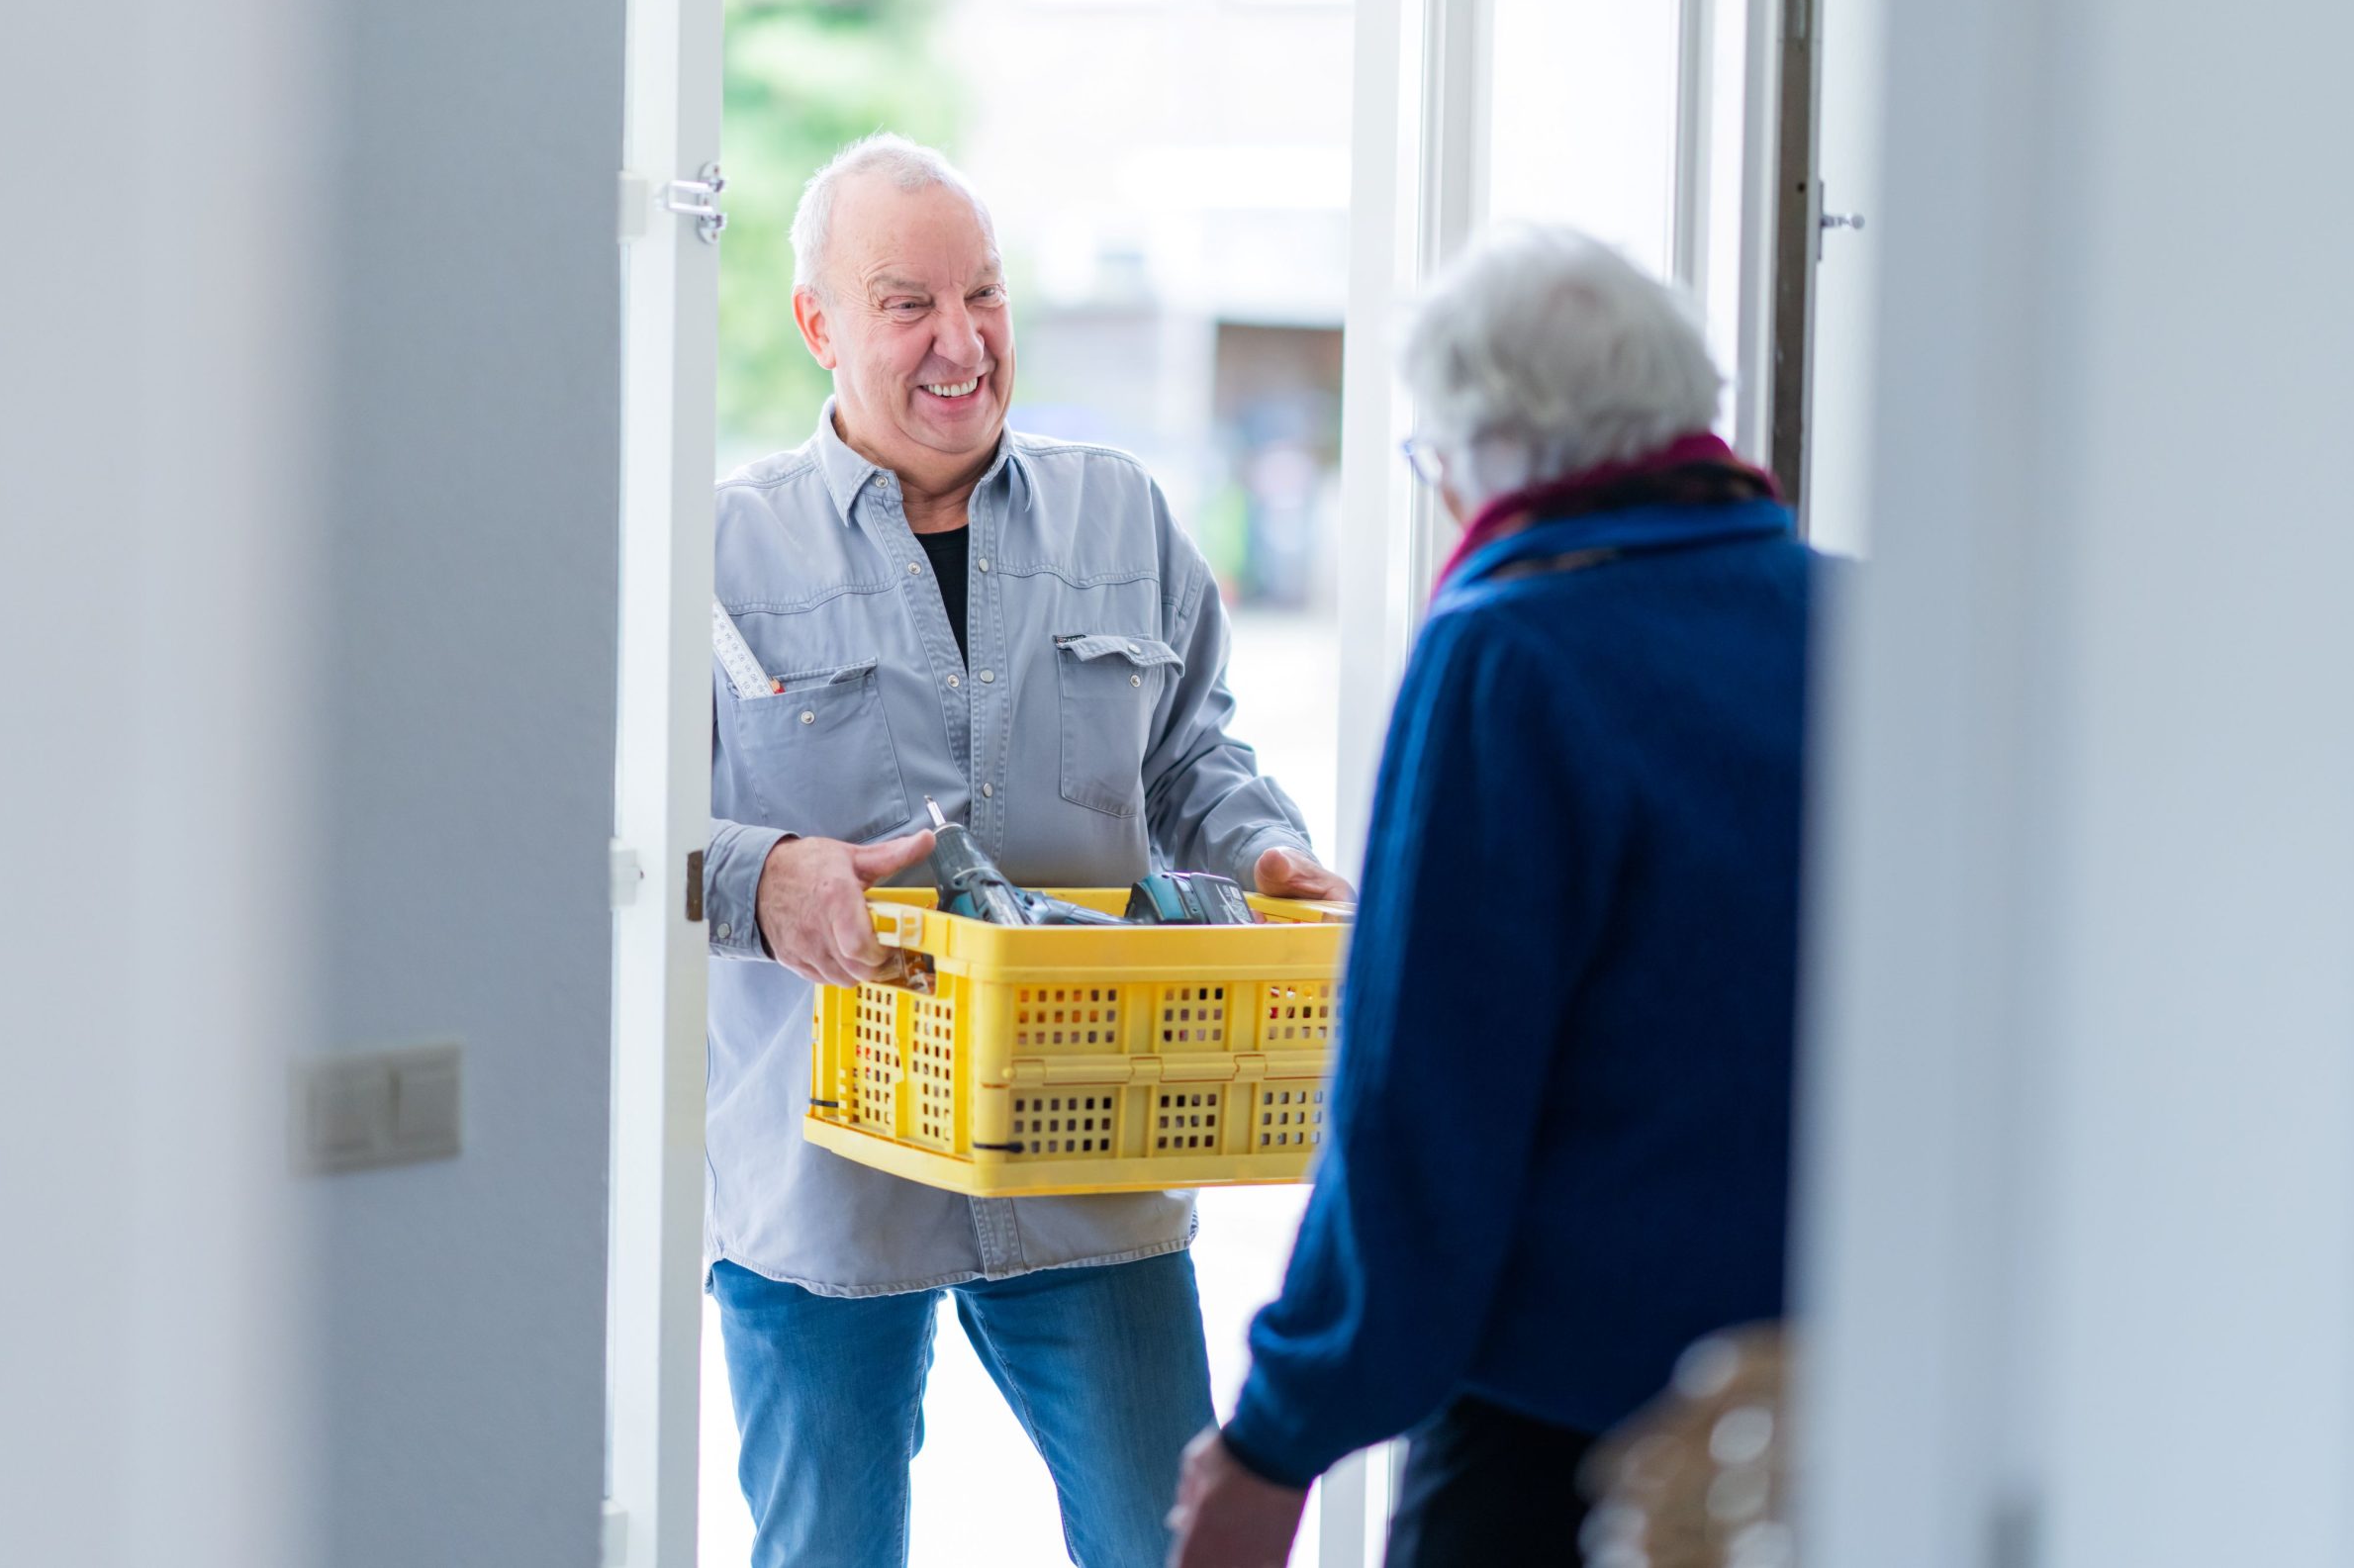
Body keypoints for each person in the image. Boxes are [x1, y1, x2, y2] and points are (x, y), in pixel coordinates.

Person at [701, 134, 1354, 1568]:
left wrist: (1266, 857)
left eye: (982, 294)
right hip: (820, 1178)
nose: (960, 341)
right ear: (816, 325)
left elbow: (1195, 761)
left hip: (1088, 1135)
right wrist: (769, 875)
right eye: (906, 302)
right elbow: (628, 837)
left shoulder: (1120, 512)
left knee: (1169, 1541)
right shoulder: (719, 554)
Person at [1165, 226, 1816, 1568]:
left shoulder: (1510, 654)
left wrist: (1275, 1440)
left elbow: (1422, 1115)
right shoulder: (1868, 619)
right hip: (1825, 1420)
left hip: (1569, 1444)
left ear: (1491, 449)